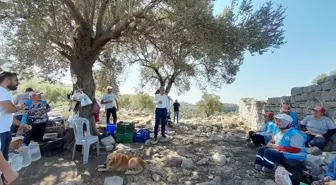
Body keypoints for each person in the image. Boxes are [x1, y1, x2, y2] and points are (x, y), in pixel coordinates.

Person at [0, 72, 31, 160]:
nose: (18, 82)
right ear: (7, 81)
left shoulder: (6, 93)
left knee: (4, 158)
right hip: (1, 133)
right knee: (2, 160)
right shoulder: (1, 91)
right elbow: (11, 109)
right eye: (16, 80)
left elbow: (8, 114)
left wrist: (21, 124)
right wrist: (21, 106)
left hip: (5, 131)